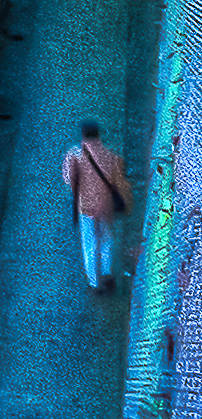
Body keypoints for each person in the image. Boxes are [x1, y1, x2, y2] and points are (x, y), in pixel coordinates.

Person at [64, 118, 131, 291]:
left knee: (89, 243)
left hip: (85, 207)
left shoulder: (74, 156)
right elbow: (119, 183)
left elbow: (69, 180)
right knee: (107, 240)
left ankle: (94, 281)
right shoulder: (111, 157)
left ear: (83, 136)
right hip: (105, 207)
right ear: (98, 135)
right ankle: (107, 272)